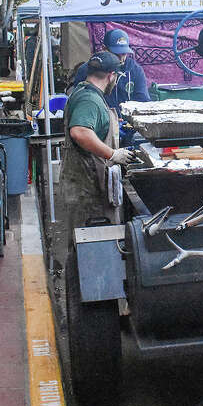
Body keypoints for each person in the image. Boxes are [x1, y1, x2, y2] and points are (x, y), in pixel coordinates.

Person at [54, 51, 134, 283]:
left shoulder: (83, 92)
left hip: (83, 184)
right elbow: (79, 132)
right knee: (91, 249)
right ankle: (93, 302)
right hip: (86, 191)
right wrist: (112, 153)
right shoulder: (90, 100)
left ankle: (88, 292)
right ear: (111, 76)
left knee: (85, 249)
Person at [73, 28, 151, 116]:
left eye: (124, 53)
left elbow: (143, 102)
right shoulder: (87, 70)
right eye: (116, 54)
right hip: (100, 122)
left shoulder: (135, 70)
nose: (121, 59)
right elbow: (79, 101)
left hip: (128, 123)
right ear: (104, 48)